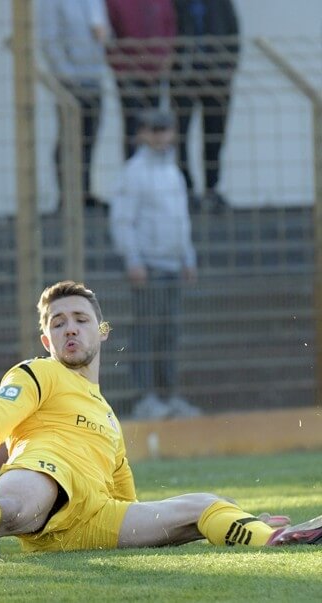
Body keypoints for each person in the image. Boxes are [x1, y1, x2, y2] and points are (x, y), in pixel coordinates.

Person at [0, 280, 322, 566]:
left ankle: (268, 536)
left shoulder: (109, 417)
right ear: (46, 339)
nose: (70, 328)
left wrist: (238, 521)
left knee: (206, 505)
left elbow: (127, 501)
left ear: (101, 331)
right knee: (10, 507)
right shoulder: (37, 373)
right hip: (44, 477)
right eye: (58, 323)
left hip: (95, 520)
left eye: (81, 320)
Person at [109, 108, 200, 420]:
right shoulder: (134, 172)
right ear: (142, 134)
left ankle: (168, 394)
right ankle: (145, 397)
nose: (161, 136)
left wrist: (188, 256)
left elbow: (181, 220)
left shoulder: (173, 173)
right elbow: (123, 220)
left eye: (165, 129)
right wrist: (133, 259)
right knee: (147, 333)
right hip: (149, 266)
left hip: (173, 265)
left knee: (169, 334)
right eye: (154, 129)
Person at [37, 0, 109, 208]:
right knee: (69, 138)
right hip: (71, 81)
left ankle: (84, 191)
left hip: (94, 77)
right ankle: (67, 196)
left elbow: (103, 33)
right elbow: (49, 40)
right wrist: (69, 76)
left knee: (90, 136)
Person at [169, 0, 240, 211]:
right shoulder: (176, 3)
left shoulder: (221, 3)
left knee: (215, 135)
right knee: (180, 135)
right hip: (184, 77)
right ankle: (186, 189)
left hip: (217, 77)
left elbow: (233, 32)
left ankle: (212, 187)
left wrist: (227, 68)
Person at [106, 0, 176, 159]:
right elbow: (110, 37)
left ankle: (154, 167)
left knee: (155, 126)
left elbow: (169, 26)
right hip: (129, 73)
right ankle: (133, 168)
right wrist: (122, 69)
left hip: (156, 72)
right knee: (133, 126)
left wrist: (166, 58)